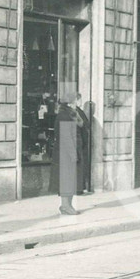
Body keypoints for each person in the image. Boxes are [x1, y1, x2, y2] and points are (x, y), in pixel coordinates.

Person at [51, 87, 88, 215]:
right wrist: (73, 154)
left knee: (72, 180)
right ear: (72, 101)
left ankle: (68, 205)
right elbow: (65, 137)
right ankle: (65, 205)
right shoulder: (64, 115)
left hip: (74, 151)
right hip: (66, 153)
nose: (80, 102)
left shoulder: (73, 114)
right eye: (78, 99)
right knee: (66, 180)